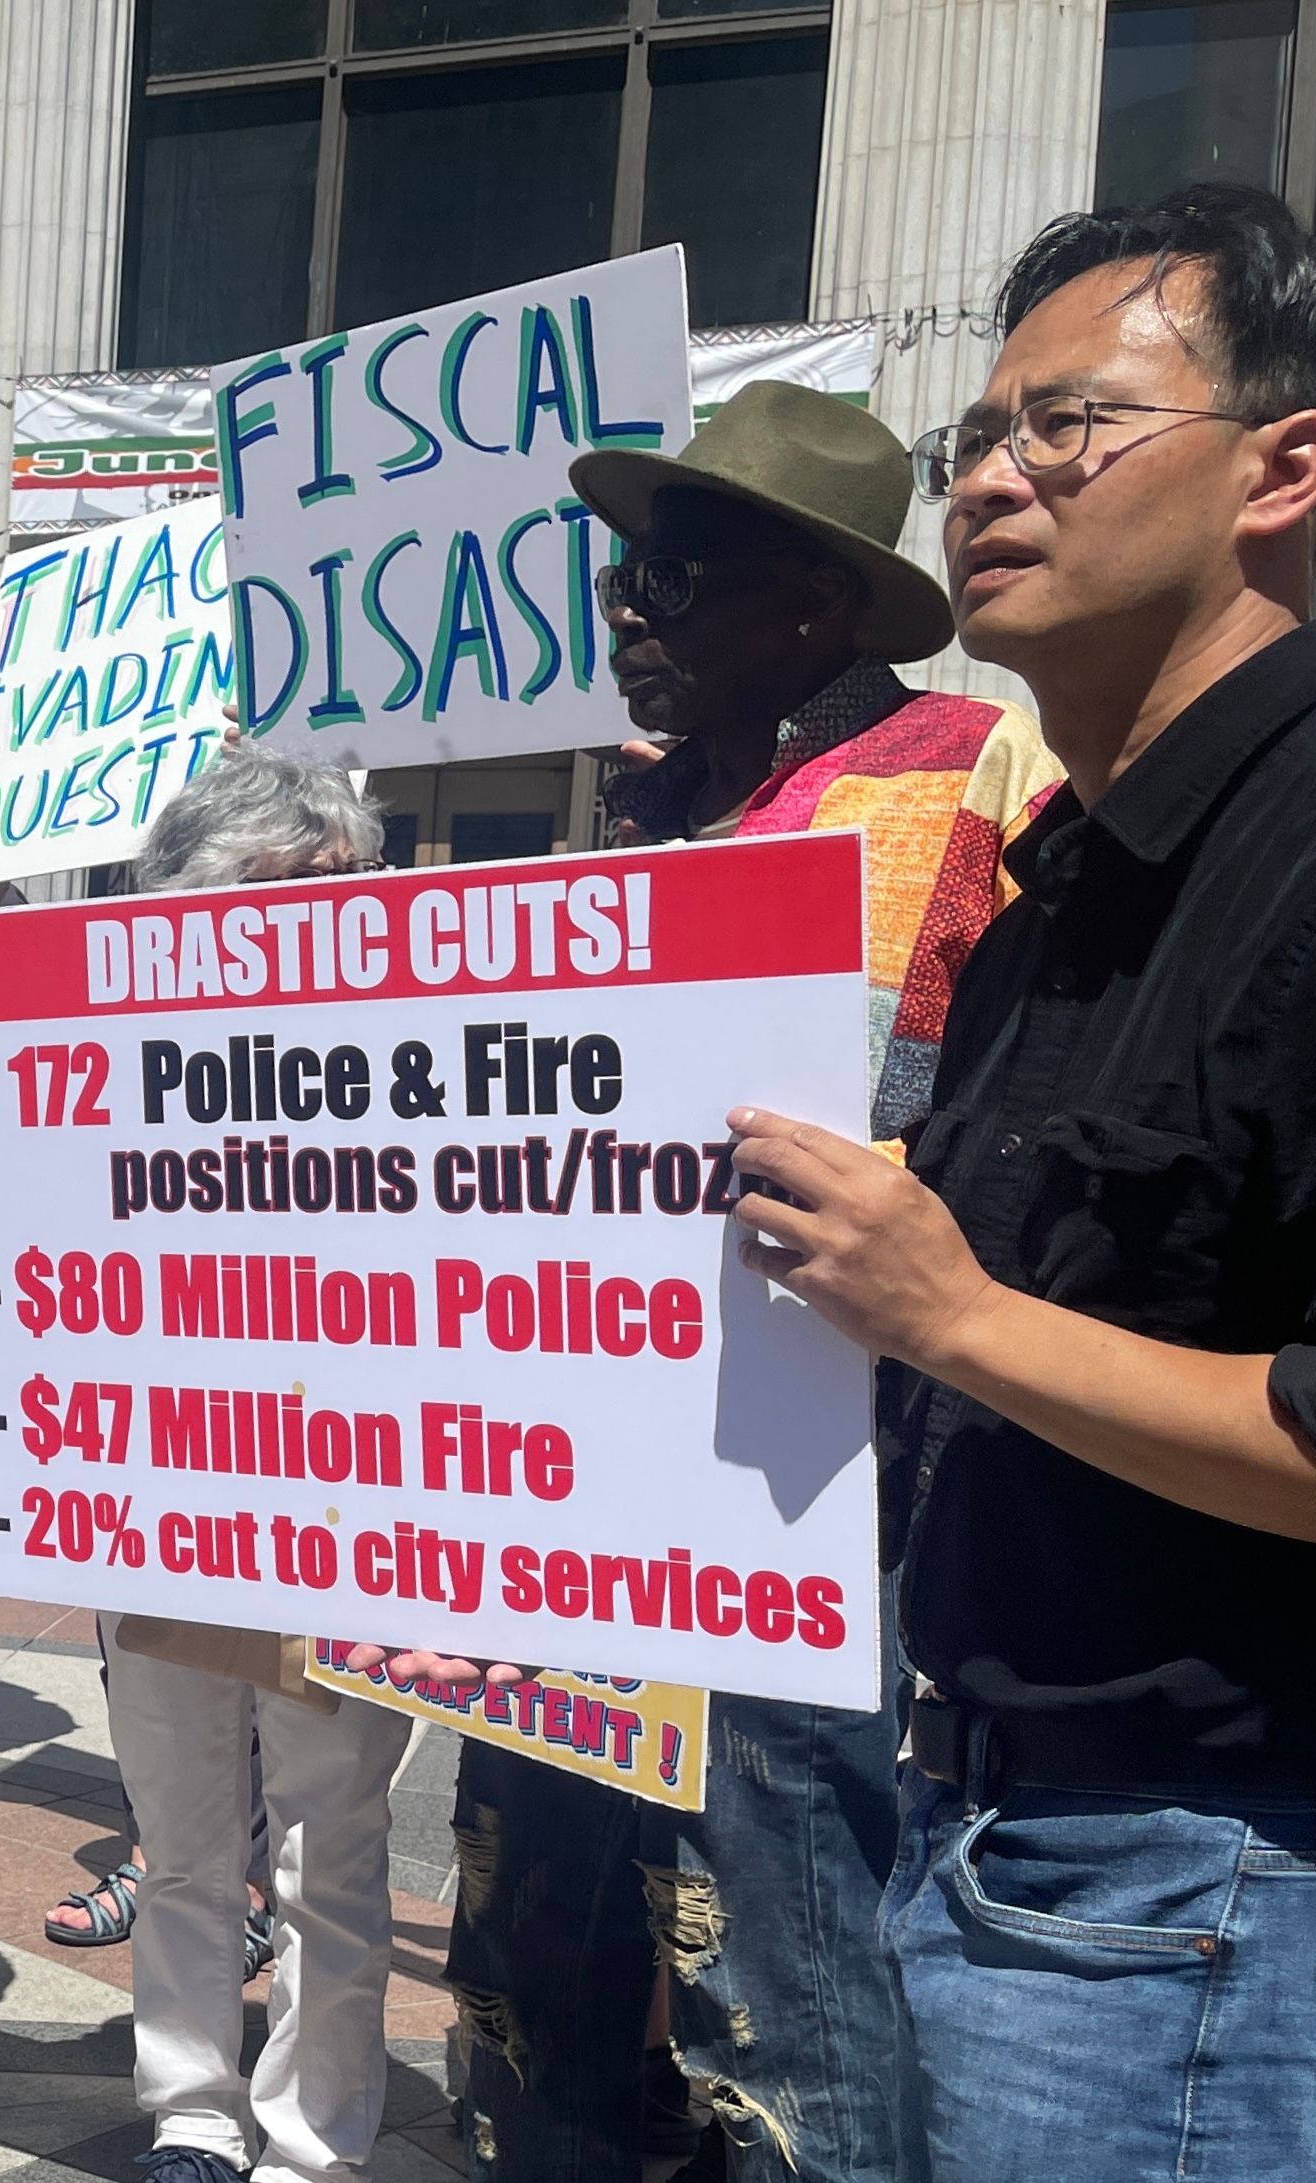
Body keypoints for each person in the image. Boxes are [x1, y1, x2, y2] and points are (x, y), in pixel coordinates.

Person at [712, 184, 1316, 2180]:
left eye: (1064, 426)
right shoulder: (1057, 874)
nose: (990, 477)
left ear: (1277, 466)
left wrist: (945, 1307)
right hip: (981, 1842)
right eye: (978, 436)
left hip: (1197, 1886)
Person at [437, 379, 1061, 2183]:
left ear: (818, 601)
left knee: (778, 1918)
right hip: (580, 1467)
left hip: (813, 1478)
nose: (629, 619)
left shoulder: (969, 767)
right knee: (538, 1884)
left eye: (677, 581)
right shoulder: (624, 826)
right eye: (622, 580)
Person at [80, 749, 421, 2183]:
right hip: (161, 1495)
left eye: (337, 889)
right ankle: (193, 2109)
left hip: (346, 1498)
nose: (321, 917)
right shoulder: (98, 1040)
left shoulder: (424, 1043)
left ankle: (311, 2131)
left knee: (331, 1843)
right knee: (180, 1834)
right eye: (284, 894)